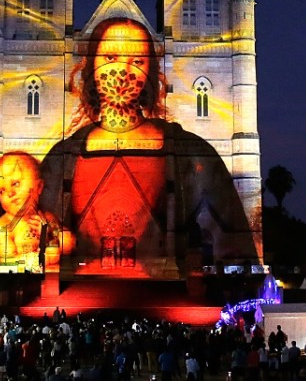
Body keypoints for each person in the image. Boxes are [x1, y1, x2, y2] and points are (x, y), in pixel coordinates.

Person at [33, 18, 257, 272]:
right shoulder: (61, 158)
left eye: (137, 61)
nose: (121, 71)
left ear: (151, 72)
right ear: (90, 66)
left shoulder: (193, 153)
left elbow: (233, 248)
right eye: (109, 57)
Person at [0, 152, 73, 268]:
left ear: (39, 187)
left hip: (50, 280)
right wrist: (47, 257)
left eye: (15, 184)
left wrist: (49, 235)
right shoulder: (0, 228)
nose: (10, 193)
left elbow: (69, 245)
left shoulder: (47, 218)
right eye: (2, 191)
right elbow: (8, 264)